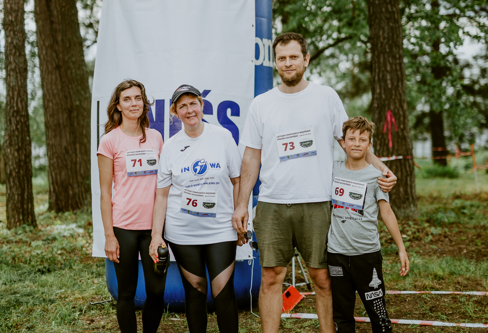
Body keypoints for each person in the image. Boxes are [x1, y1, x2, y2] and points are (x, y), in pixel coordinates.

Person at [232, 32, 398, 333]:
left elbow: (352, 143)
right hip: (272, 204)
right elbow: (251, 157)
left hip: (318, 203)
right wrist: (241, 204)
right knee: (271, 277)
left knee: (322, 278)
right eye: (281, 58)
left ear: (306, 59)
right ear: (275, 63)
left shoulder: (326, 97)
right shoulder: (261, 104)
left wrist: (383, 170)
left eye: (294, 57)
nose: (288, 63)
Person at [149, 84, 243, 333]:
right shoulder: (171, 146)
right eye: (183, 106)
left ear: (202, 105)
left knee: (223, 290)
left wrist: (241, 216)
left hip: (221, 228)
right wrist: (156, 235)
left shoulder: (223, 136)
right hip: (183, 232)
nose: (189, 110)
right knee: (195, 290)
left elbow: (237, 181)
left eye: (193, 103)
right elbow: (162, 195)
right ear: (175, 112)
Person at [328, 116, 409, 332]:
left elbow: (387, 213)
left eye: (362, 139)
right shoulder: (332, 171)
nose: (356, 143)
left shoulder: (377, 177)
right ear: (342, 142)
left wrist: (401, 248)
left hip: (367, 255)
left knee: (378, 314)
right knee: (341, 316)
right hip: (336, 255)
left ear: (369, 145)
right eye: (351, 138)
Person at [98, 80, 166, 333]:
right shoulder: (109, 141)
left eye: (138, 98)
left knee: (156, 292)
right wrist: (109, 236)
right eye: (127, 99)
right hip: (123, 227)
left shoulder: (156, 138)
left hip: (153, 229)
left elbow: (163, 186)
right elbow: (105, 192)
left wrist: (159, 230)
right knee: (126, 293)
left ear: (144, 103)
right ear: (118, 105)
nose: (133, 103)